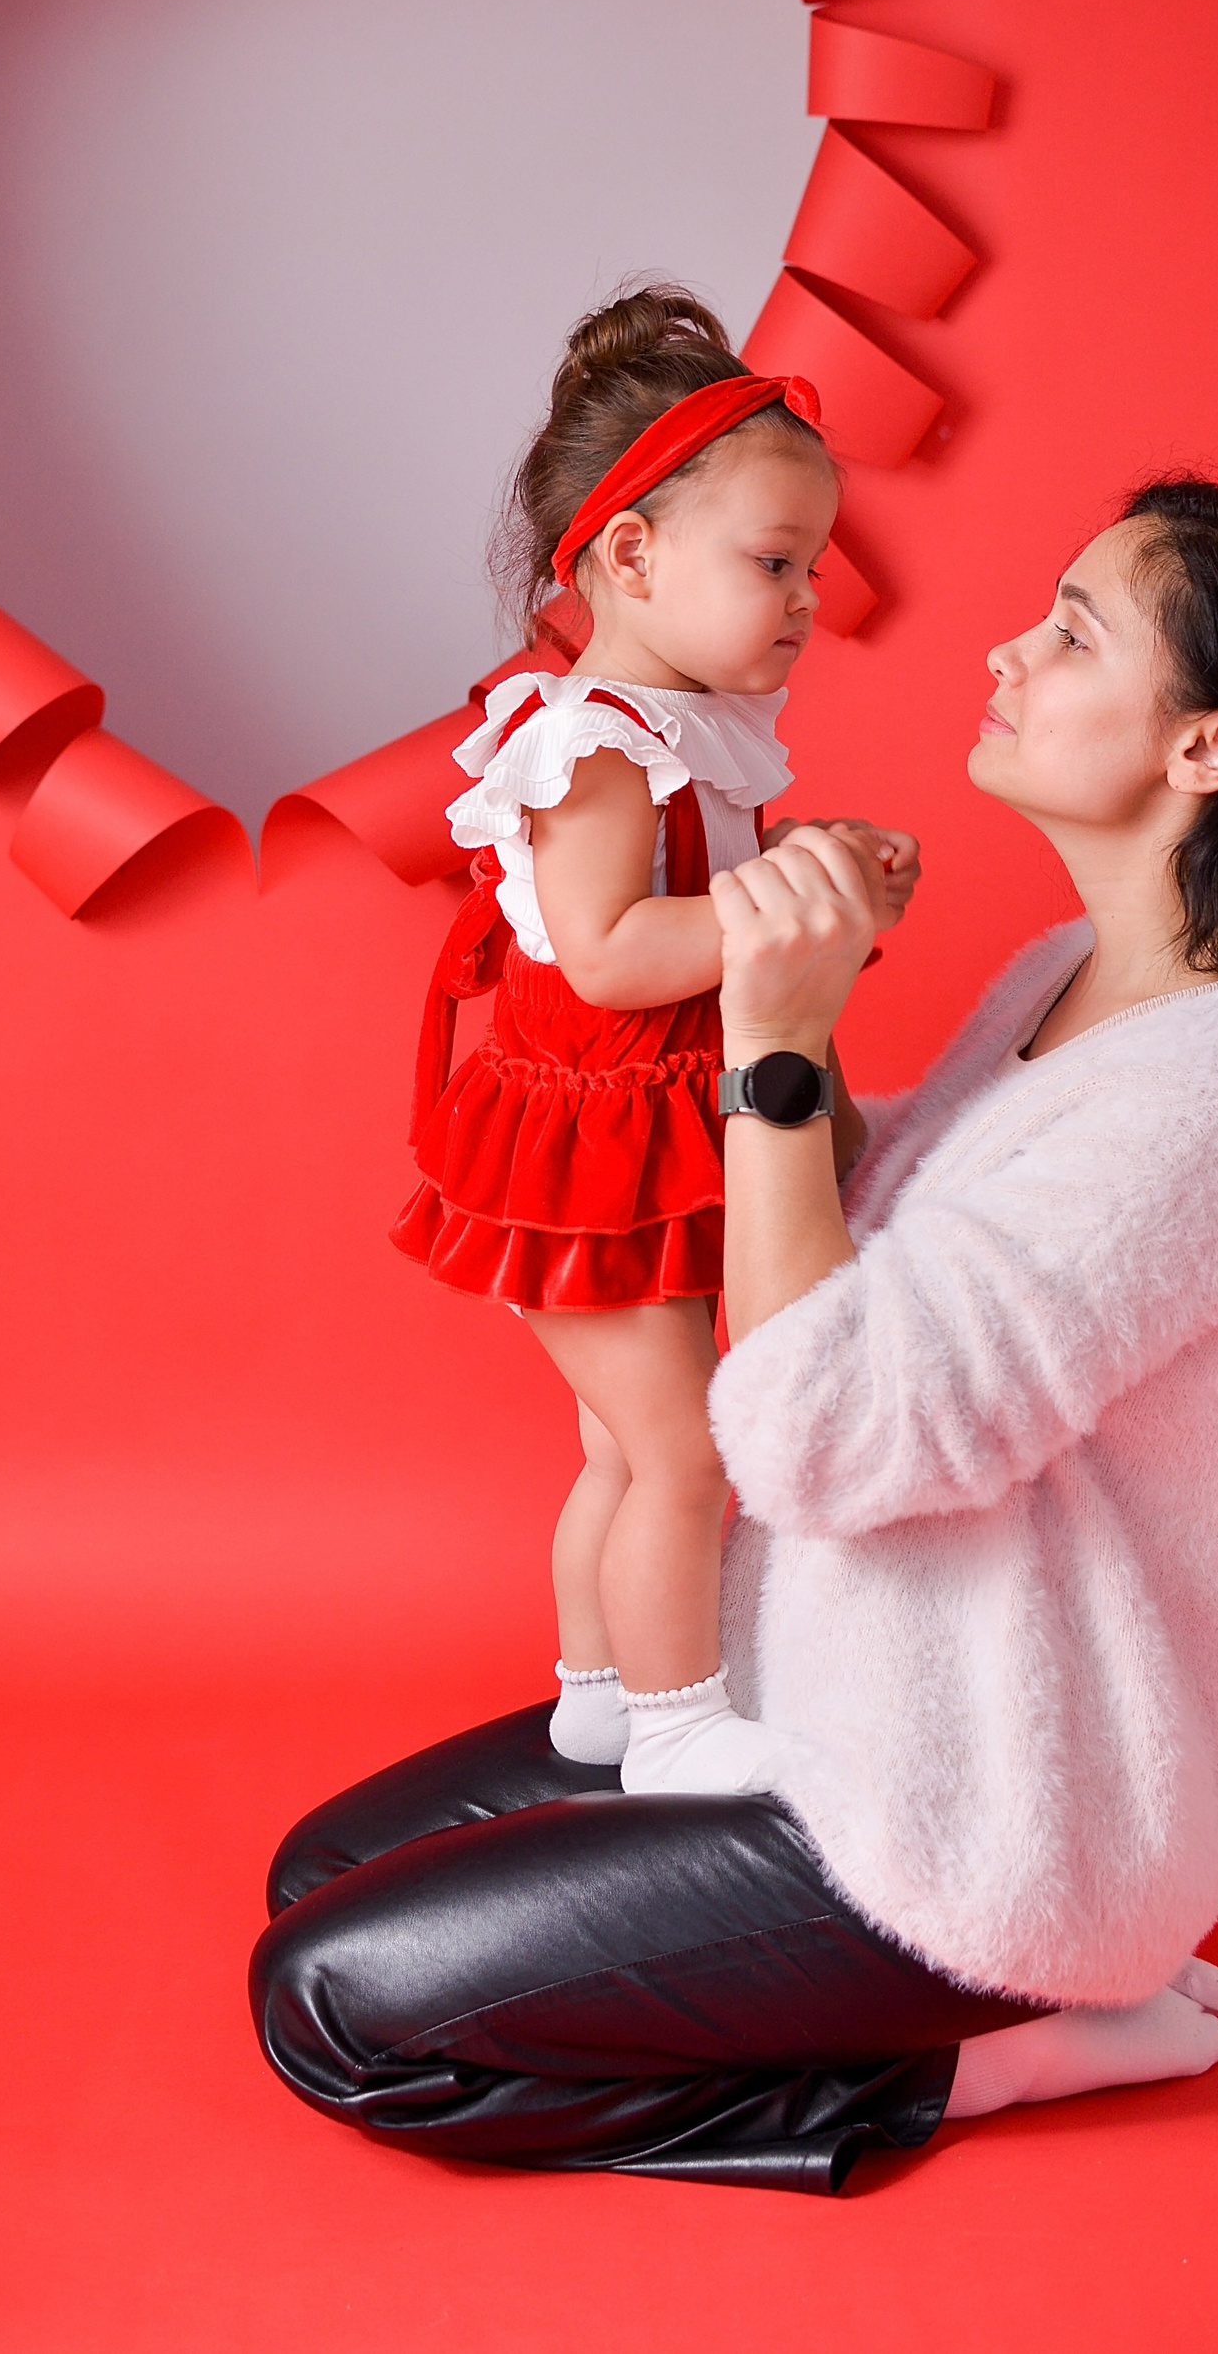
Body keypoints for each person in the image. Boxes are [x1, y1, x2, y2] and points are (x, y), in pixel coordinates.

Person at [253, 478, 1218, 2193]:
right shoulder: (1068, 972)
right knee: (315, 1881)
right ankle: (933, 2012)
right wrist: (780, 984)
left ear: (1211, 749)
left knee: (330, 2007)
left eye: (1073, 637)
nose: (1007, 652)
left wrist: (770, 1045)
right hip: (799, 1698)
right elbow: (890, 1210)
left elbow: (820, 1438)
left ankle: (968, 2056)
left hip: (974, 1828)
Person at [394, 286, 914, 1795]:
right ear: (631, 556)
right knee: (687, 1453)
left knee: (627, 1454)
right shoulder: (594, 742)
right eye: (773, 562)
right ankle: (679, 1724)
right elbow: (615, 953)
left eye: (812, 566)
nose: (805, 600)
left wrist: (813, 863)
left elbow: (694, 904)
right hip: (587, 1146)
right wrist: (782, 906)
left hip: (647, 1132)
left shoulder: (678, 729)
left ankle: (598, 1697)